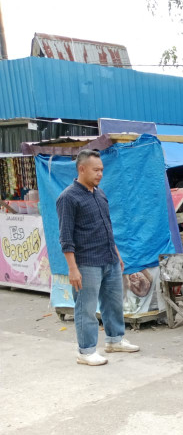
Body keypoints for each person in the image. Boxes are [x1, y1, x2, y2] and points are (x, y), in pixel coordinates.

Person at [56, 149, 139, 366]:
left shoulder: (100, 194)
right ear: (82, 169)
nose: (100, 174)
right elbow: (65, 237)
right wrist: (73, 268)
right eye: (96, 170)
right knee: (86, 307)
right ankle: (86, 351)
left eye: (101, 170)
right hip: (86, 262)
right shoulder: (68, 198)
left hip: (109, 258)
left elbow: (107, 227)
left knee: (113, 303)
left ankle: (115, 340)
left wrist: (117, 254)